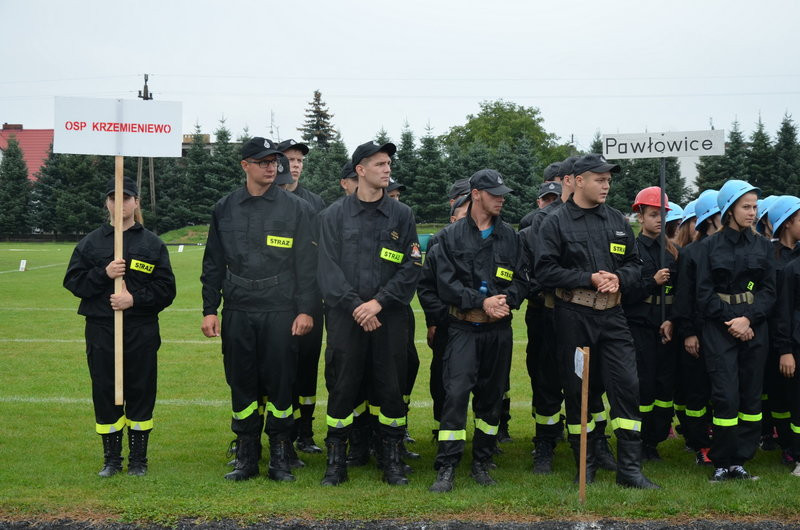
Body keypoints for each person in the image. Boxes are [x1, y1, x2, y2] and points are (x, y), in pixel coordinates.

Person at [536, 153, 658, 489]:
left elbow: (635, 265)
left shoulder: (617, 221)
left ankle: (629, 470)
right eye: (599, 179)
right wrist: (588, 278)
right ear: (575, 181)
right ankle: (584, 465)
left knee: (628, 387)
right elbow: (545, 271)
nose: (606, 185)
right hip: (574, 317)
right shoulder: (554, 222)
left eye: (608, 179)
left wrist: (619, 279)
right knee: (578, 391)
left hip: (613, 316)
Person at [201, 137, 318, 482]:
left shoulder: (296, 209)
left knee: (282, 384)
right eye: (263, 161)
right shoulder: (225, 208)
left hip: (281, 309)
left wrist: (306, 309)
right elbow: (213, 263)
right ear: (245, 166)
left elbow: (307, 266)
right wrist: (210, 309)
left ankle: (281, 455)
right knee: (241, 382)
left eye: (275, 161)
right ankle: (246, 455)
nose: (272, 167)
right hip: (238, 309)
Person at [316, 140, 422, 486]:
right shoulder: (333, 215)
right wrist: (355, 306)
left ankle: (391, 459)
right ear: (360, 170)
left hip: (387, 317)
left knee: (390, 386)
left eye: (388, 163)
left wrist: (378, 303)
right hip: (346, 318)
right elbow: (326, 269)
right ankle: (338, 460)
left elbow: (411, 265)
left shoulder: (401, 215)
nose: (387, 169)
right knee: (343, 386)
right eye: (379, 164)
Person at [64, 176, 176, 477]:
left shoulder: (151, 244)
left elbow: (167, 290)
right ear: (107, 203)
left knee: (141, 389)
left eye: (126, 198)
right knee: (104, 390)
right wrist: (104, 273)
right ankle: (112, 459)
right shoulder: (91, 243)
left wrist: (133, 300)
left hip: (140, 329)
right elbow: (73, 282)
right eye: (114, 198)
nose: (120, 203)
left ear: (136, 202)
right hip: (101, 329)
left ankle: (139, 460)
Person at [427, 169, 528, 493]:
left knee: (491, 398)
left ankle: (483, 462)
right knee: (455, 396)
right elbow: (445, 285)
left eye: (502, 194)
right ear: (476, 194)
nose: (501, 199)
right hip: (462, 329)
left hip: (498, 330)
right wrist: (481, 301)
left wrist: (507, 300)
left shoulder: (511, 237)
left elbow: (524, 279)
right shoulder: (449, 237)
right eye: (495, 193)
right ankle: (447, 466)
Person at [695, 179, 775, 482]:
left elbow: (769, 291)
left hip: (754, 329)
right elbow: (703, 293)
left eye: (755, 206)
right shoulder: (708, 248)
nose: (753, 212)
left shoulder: (763, 247)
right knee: (726, 396)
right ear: (729, 209)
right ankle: (722, 460)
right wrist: (733, 321)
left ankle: (741, 460)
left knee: (751, 399)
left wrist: (749, 320)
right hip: (720, 329)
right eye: (746, 206)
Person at [276, 139, 326, 456]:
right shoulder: (267, 200)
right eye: (291, 159)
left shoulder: (315, 203)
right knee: (273, 369)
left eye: (300, 160)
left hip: (309, 300)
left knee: (307, 369)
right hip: (275, 302)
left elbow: (320, 253)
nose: (296, 165)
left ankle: (304, 433)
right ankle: (271, 434)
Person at [623, 187, 679, 461]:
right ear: (640, 216)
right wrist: (651, 282)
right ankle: (640, 441)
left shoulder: (673, 252)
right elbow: (625, 293)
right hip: (640, 325)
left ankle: (656, 438)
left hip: (666, 327)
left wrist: (672, 320)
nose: (659, 220)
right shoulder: (630, 251)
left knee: (664, 386)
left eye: (663, 215)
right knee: (642, 385)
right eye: (654, 214)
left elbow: (683, 292)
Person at [671, 190, 720, 466]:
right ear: (710, 218)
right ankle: (700, 443)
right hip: (698, 334)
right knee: (697, 392)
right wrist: (688, 331)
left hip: (724, 333)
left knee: (723, 392)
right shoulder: (691, 254)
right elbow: (684, 297)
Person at [763, 196, 800, 466]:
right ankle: (783, 441)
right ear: (787, 223)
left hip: (790, 335)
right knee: (777, 393)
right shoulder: (768, 256)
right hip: (772, 337)